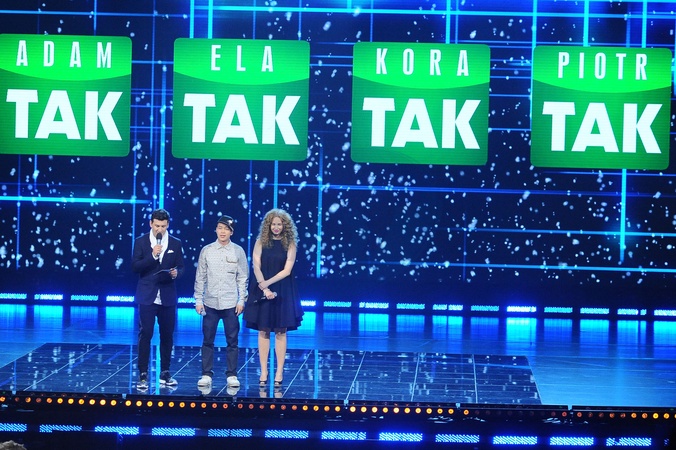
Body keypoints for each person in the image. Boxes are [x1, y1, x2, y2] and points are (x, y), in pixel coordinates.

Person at [244, 208, 304, 388]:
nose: (276, 227)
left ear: (285, 226)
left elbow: (287, 270)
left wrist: (267, 284)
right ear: (268, 225)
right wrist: (263, 287)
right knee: (263, 330)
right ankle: (263, 371)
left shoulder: (290, 244)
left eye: (279, 224)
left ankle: (279, 372)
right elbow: (256, 266)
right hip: (262, 287)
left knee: (280, 330)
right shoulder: (260, 241)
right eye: (273, 224)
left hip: (283, 289)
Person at [131, 208, 185, 390]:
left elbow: (182, 266)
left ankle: (165, 372)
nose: (159, 229)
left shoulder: (175, 243)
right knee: (146, 333)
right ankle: (143, 374)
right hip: (147, 295)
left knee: (167, 335)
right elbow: (135, 266)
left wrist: (177, 273)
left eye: (163, 226)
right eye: (156, 226)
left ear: (168, 225)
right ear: (150, 224)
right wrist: (153, 255)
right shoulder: (141, 242)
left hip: (167, 295)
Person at [194, 215, 249, 392]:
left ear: (231, 232)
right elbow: (200, 276)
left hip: (231, 303)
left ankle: (231, 374)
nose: (222, 231)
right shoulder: (207, 250)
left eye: (226, 229)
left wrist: (241, 300)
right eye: (220, 228)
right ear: (216, 230)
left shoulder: (238, 251)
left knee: (232, 341)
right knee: (207, 340)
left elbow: (243, 278)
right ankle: (206, 374)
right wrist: (198, 300)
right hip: (210, 302)